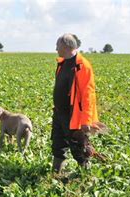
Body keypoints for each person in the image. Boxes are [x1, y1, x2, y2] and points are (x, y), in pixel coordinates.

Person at [51, 33, 99, 173]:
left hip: (74, 115)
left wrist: (86, 120)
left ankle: (86, 175)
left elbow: (88, 95)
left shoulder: (82, 66)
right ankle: (56, 173)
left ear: (66, 46)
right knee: (58, 144)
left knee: (79, 147)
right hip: (59, 112)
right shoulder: (62, 63)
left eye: (58, 46)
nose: (56, 49)